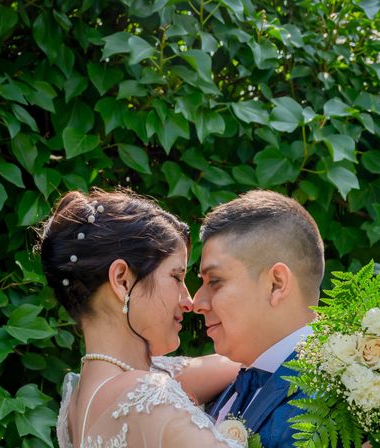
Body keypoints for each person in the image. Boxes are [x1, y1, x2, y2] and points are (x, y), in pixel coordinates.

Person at [36, 189, 243, 448]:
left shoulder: (78, 402)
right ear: (122, 280)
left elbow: (234, 365)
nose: (188, 301)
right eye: (176, 277)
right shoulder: (149, 396)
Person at [193, 190, 325, 448]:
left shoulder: (332, 400)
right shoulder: (230, 385)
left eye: (215, 282)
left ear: (276, 284)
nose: (197, 302)